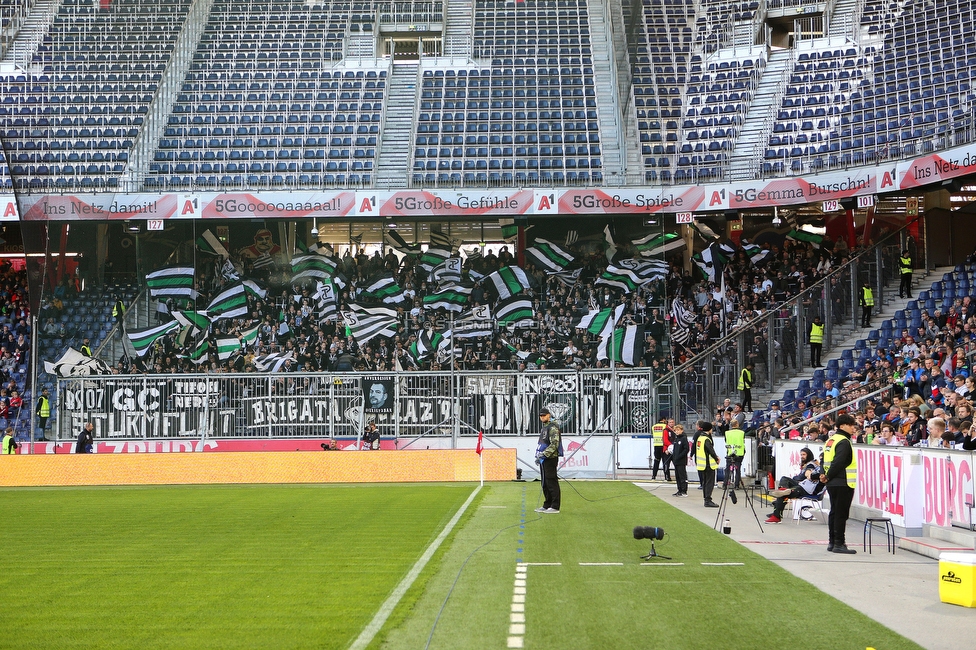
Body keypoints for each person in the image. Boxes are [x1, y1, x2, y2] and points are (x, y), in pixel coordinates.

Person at [821, 414, 858, 554]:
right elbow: (839, 462)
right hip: (843, 481)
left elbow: (824, 459)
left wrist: (824, 475)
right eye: (851, 425)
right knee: (841, 514)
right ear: (842, 426)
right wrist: (829, 475)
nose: (853, 428)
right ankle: (839, 543)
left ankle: (832, 542)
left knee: (834, 512)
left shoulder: (831, 440)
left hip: (832, 482)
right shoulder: (844, 441)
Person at [765, 447, 824, 523]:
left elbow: (807, 474)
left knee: (784, 494)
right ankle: (782, 495)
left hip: (809, 491)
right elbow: (808, 474)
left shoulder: (815, 466)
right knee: (784, 487)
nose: (820, 461)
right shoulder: (818, 468)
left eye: (822, 460)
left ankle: (776, 516)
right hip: (803, 486)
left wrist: (811, 475)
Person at [534, 407, 562, 514]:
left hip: (550, 458)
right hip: (543, 458)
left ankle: (555, 506)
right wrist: (538, 456)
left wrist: (544, 454)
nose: (542, 417)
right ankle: (547, 504)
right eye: (541, 416)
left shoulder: (553, 428)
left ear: (549, 415)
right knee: (544, 482)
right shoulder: (545, 427)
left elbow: (555, 444)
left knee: (551, 481)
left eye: (544, 415)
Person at [695, 421, 720, 508]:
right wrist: (716, 458)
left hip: (702, 464)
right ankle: (708, 500)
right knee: (710, 482)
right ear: (709, 429)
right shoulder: (706, 439)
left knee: (705, 482)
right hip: (708, 464)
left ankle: (706, 499)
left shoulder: (700, 438)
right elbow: (710, 450)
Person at [723, 422, 746, 505]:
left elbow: (726, 441)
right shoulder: (742, 432)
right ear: (737, 425)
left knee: (728, 469)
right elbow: (743, 441)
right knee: (738, 469)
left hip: (730, 452)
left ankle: (725, 484)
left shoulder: (727, 433)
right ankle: (736, 485)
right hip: (739, 453)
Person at [671, 423, 690, 497]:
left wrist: (679, 456)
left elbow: (686, 449)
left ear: (682, 430)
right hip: (676, 461)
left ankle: (684, 491)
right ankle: (679, 490)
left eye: (678, 430)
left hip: (681, 461)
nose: (677, 432)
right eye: (676, 430)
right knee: (677, 476)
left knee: (682, 476)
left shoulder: (684, 438)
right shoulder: (676, 439)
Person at [651, 417, 672, 481]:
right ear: (663, 420)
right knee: (665, 462)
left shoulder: (653, 427)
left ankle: (653, 476)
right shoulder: (665, 426)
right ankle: (667, 477)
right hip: (663, 446)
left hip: (656, 445)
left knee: (656, 461)